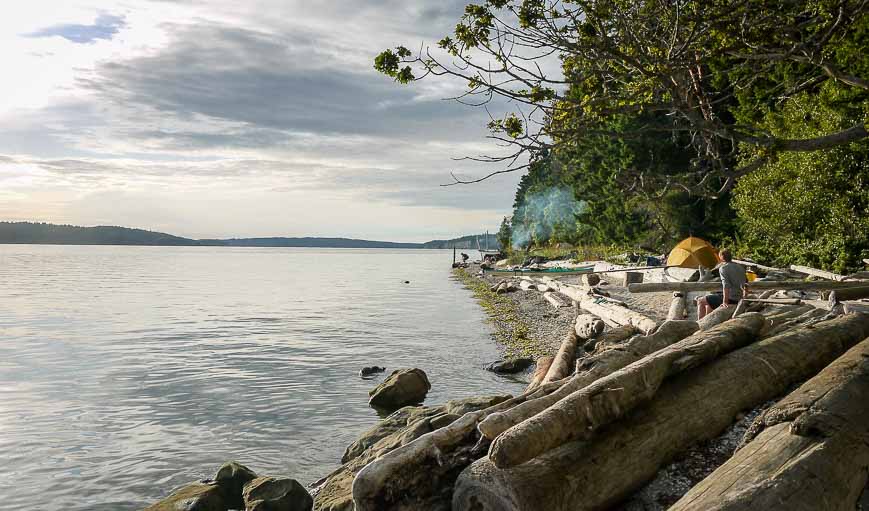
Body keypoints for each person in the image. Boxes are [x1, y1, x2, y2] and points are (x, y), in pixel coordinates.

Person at [696, 248, 747, 320]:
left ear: (721, 257)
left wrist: (725, 302)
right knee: (709, 303)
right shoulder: (740, 267)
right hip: (739, 298)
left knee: (700, 300)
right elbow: (746, 283)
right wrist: (744, 297)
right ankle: (706, 321)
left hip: (731, 299)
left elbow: (726, 286)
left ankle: (699, 324)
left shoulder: (723, 268)